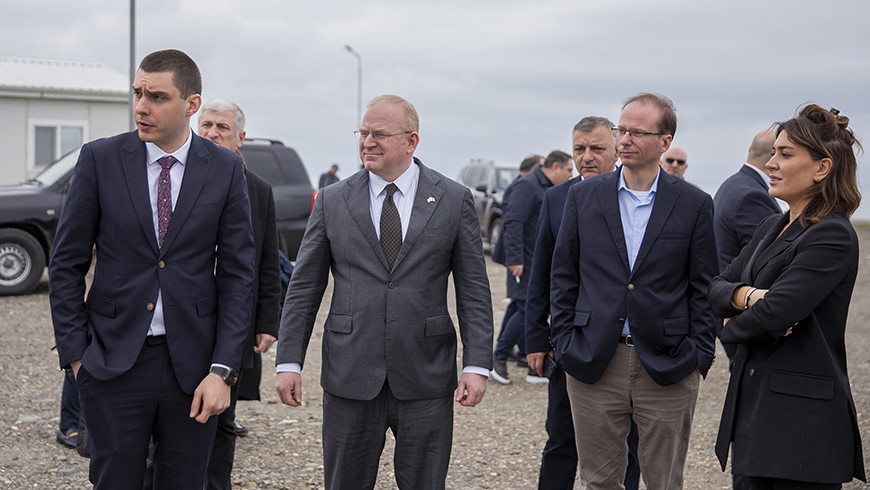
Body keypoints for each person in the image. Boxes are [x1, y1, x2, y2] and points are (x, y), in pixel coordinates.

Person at [49, 49, 256, 489]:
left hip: (194, 369)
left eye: (157, 96)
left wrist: (223, 371)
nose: (141, 107)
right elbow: (66, 262)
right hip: (111, 364)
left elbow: (239, 275)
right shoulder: (100, 159)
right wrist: (77, 357)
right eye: (138, 93)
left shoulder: (223, 168)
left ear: (191, 104)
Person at [274, 94, 493, 490]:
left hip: (425, 375)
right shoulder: (332, 200)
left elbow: (474, 289)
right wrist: (288, 360)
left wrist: (476, 365)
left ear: (411, 141)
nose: (367, 142)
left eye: (379, 134)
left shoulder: (453, 200)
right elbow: (305, 286)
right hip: (350, 374)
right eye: (363, 132)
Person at [550, 93, 718, 489]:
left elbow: (704, 285)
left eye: (636, 132)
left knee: (664, 481)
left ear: (664, 141)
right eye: (620, 129)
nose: (624, 139)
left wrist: (699, 355)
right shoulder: (583, 196)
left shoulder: (695, 204)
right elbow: (563, 277)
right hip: (593, 361)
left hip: (668, 364)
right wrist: (564, 340)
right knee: (599, 480)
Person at [709, 105, 866, 490]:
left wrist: (730, 322)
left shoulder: (832, 235)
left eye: (785, 154)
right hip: (755, 417)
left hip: (800, 429)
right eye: (773, 152)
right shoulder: (771, 225)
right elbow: (714, 288)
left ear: (821, 168)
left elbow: (777, 314)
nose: (771, 163)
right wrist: (747, 296)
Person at [524, 116, 640, 489]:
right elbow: (540, 273)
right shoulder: (557, 198)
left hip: (632, 347)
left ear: (617, 148)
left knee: (630, 445)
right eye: (579, 149)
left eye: (597, 148)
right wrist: (536, 340)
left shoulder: (637, 197)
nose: (586, 157)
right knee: (561, 441)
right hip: (571, 345)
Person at [198, 99, 281, 490]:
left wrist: (266, 322)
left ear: (240, 138)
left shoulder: (258, 191)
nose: (212, 133)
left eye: (222, 128)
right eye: (206, 125)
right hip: (184, 318)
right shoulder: (178, 178)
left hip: (233, 322)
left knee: (222, 419)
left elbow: (267, 260)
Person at [491, 150, 573, 384]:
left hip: (534, 259)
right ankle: (500, 355)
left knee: (519, 305)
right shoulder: (528, 185)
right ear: (555, 167)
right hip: (524, 260)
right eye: (569, 170)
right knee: (527, 307)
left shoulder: (543, 186)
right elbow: (513, 222)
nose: (571, 175)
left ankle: (524, 359)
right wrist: (515, 259)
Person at [713, 129, 781, 371]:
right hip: (741, 310)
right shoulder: (753, 195)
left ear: (750, 151)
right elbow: (767, 263)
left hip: (726, 300)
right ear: (773, 157)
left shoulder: (733, 183)